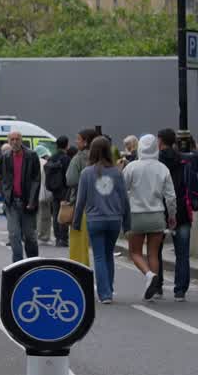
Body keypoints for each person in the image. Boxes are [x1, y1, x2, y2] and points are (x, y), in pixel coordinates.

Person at [72, 137, 130, 303]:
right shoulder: (117, 173)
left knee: (98, 256)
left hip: (95, 219)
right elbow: (125, 200)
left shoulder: (86, 173)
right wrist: (127, 223)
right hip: (114, 219)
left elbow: (80, 201)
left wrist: (76, 222)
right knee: (108, 255)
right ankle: (109, 288)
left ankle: (105, 294)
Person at [123, 134, 177, 301]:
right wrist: (172, 216)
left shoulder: (131, 167)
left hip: (136, 215)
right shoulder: (162, 168)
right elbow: (171, 197)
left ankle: (148, 276)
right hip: (157, 215)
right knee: (153, 253)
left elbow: (122, 191)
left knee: (135, 252)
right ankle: (154, 286)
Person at [157, 128, 192, 301]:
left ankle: (157, 287)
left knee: (155, 250)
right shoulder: (185, 161)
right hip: (183, 210)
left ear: (160, 141)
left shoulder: (157, 162)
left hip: (160, 211)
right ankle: (180, 291)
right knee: (183, 253)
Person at [0, 129, 41, 262]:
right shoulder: (5, 156)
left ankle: (33, 262)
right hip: (12, 202)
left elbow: (36, 180)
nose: (15, 142)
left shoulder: (31, 155)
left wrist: (32, 200)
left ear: (21, 140)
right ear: (8, 141)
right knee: (14, 234)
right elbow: (3, 177)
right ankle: (18, 263)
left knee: (30, 236)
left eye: (17, 139)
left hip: (28, 202)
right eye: (12, 139)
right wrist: (5, 195)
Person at [65, 128, 97, 266]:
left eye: (78, 139)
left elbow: (70, 180)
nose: (76, 142)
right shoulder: (101, 157)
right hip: (100, 206)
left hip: (81, 205)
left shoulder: (78, 158)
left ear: (85, 142)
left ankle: (79, 269)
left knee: (78, 242)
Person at [46, 136, 71, 246]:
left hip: (54, 189)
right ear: (67, 145)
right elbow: (69, 176)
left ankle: (57, 237)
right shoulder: (66, 159)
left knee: (56, 213)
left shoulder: (52, 158)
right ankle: (63, 238)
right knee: (64, 213)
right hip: (64, 190)